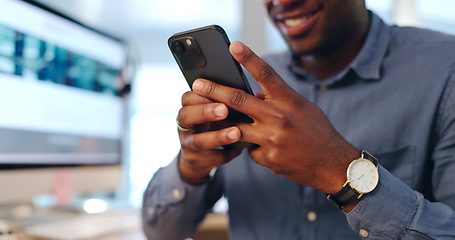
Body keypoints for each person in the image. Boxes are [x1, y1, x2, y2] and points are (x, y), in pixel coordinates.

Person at [142, 0, 455, 239]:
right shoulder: (246, 85)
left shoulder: (444, 70)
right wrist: (191, 168)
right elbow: (160, 231)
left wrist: (340, 172)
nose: (282, 2)